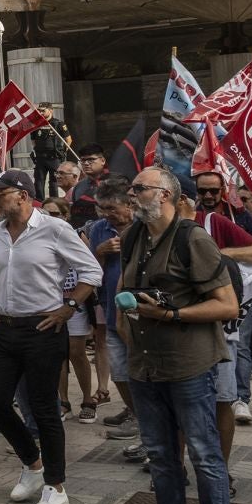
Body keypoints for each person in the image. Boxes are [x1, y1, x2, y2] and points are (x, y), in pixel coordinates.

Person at [116, 166, 241, 504]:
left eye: (139, 189)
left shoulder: (193, 238)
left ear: (165, 195)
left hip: (188, 365)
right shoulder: (134, 237)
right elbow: (124, 291)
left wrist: (171, 313)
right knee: (162, 458)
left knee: (205, 457)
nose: (131, 195)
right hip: (146, 366)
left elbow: (227, 306)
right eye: (132, 189)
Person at [0, 169, 101, 504]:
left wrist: (68, 309)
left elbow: (91, 272)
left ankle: (56, 485)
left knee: (44, 408)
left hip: (43, 327)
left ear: (22, 195)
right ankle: (33, 466)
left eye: (0, 192)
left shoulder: (54, 228)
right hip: (4, 327)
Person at [189, 170, 252, 440]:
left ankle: (241, 397)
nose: (208, 196)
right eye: (202, 191)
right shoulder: (189, 219)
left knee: (240, 346)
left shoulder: (230, 218)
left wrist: (223, 253)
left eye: (213, 191)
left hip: (233, 299)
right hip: (195, 314)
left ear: (223, 191)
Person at [86, 180, 143, 453]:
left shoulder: (145, 226)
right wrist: (100, 252)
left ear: (129, 203)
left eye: (111, 208)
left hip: (142, 312)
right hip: (111, 309)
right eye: (102, 208)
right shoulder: (99, 230)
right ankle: (136, 412)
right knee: (119, 371)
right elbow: (90, 271)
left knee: (141, 369)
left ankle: (144, 418)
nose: (107, 213)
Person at [31, 106, 72, 200]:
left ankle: (54, 203)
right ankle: (40, 203)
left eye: (43, 111)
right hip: (40, 158)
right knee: (38, 181)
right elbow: (33, 140)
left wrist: (62, 152)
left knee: (54, 182)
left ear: (50, 110)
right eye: (39, 111)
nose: (40, 113)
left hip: (54, 157)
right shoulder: (36, 124)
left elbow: (68, 140)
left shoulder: (58, 124)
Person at [68, 149, 106, 228]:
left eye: (91, 160)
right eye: (83, 160)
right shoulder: (79, 186)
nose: (86, 163)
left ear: (102, 161)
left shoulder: (114, 183)